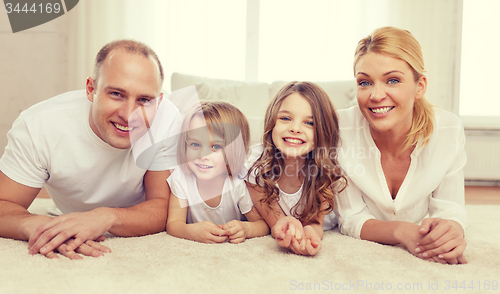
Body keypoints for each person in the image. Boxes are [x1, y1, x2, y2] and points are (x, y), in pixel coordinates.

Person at [0, 40, 181, 259]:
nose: (128, 114)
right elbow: (4, 204)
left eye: (144, 100)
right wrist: (35, 225)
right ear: (90, 89)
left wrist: (106, 217)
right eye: (116, 94)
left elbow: (163, 208)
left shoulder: (168, 120)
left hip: (134, 219)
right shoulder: (38, 126)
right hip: (67, 215)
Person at [335, 26, 467, 264]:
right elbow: (351, 216)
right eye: (365, 83)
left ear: (420, 86)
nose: (376, 95)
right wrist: (402, 231)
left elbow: (449, 208)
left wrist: (451, 230)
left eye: (392, 80)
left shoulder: (448, 130)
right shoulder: (340, 129)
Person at [246, 81, 346, 256]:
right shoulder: (255, 165)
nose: (295, 128)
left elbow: (316, 223)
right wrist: (289, 234)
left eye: (309, 123)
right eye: (285, 118)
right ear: (271, 123)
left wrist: (310, 234)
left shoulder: (324, 168)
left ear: (323, 132)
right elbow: (276, 222)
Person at [166, 101, 269, 243]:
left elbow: (262, 225)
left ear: (235, 150)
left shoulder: (239, 183)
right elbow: (173, 224)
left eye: (216, 146)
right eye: (195, 144)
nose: (203, 155)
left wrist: (245, 229)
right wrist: (191, 231)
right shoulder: (181, 178)